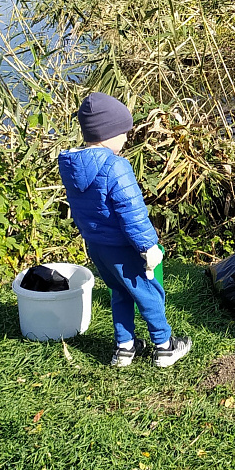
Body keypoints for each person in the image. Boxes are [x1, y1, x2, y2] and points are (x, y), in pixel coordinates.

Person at [58, 92, 192, 367]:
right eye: (123, 133)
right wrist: (148, 246)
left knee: (119, 292)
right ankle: (164, 346)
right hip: (124, 246)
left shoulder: (72, 166)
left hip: (97, 245)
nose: (126, 139)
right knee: (148, 293)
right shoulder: (115, 166)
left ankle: (124, 348)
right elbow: (132, 212)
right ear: (108, 133)